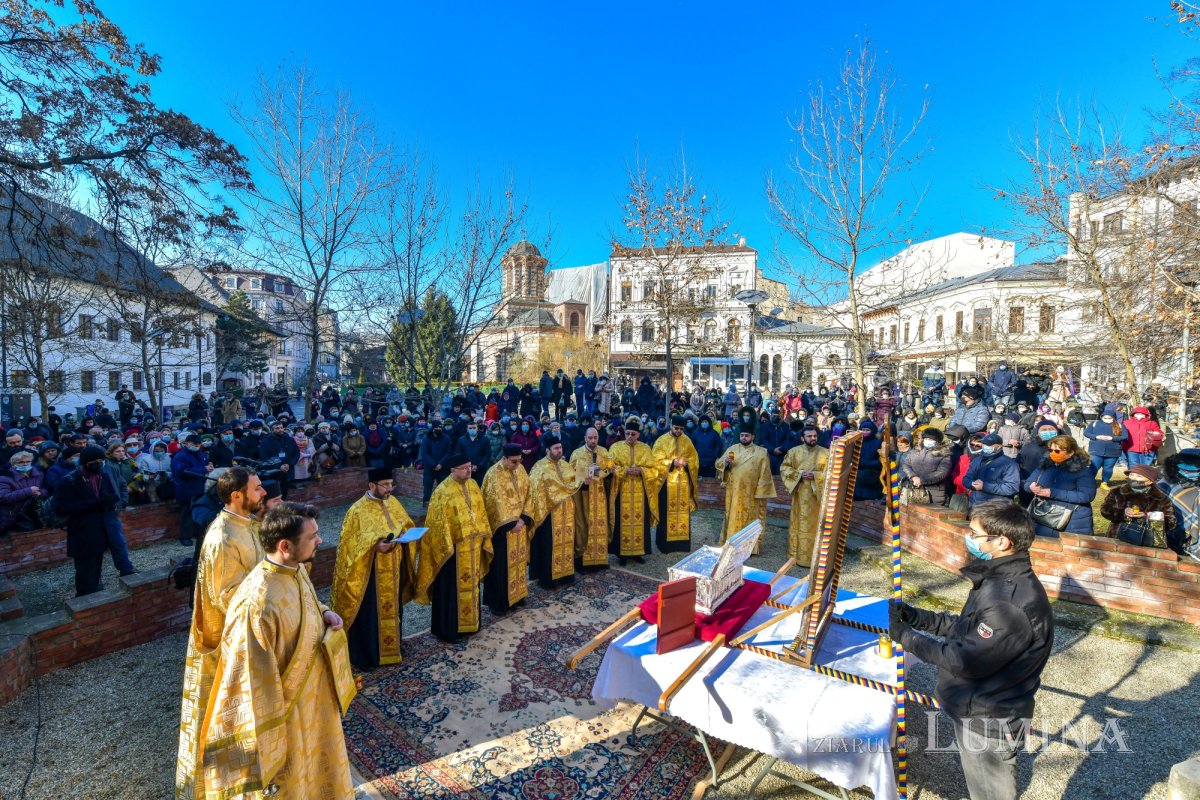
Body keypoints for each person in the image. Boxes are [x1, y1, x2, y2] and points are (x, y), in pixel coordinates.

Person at [888, 501, 1053, 800]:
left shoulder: (1008, 602)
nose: (968, 538)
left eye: (975, 534)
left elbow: (961, 659)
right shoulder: (999, 580)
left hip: (988, 718)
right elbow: (968, 629)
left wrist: (907, 638)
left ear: (1002, 542)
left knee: (989, 793)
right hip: (980, 707)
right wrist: (919, 619)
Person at [196, 502, 354, 799]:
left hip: (315, 700)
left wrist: (324, 612)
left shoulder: (294, 569)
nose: (320, 540)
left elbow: (306, 602)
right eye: (312, 536)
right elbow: (246, 685)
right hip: (287, 717)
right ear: (285, 545)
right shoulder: (256, 605)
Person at [174, 467, 267, 800]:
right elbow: (227, 596)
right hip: (233, 638)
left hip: (255, 628)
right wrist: (270, 608)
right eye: (257, 489)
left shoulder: (248, 523)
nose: (263, 493)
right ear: (237, 495)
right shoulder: (223, 536)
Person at [331, 467, 416, 670]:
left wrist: (405, 535)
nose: (389, 489)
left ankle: (393, 647)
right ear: (371, 485)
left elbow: (405, 523)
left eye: (391, 484)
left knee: (394, 609)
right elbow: (349, 548)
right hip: (370, 574)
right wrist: (374, 547)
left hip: (393, 568)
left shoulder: (393, 502)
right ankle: (369, 655)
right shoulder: (357, 511)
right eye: (385, 485)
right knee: (370, 614)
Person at [415, 452, 493, 643]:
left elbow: (480, 512)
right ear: (453, 470)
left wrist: (483, 536)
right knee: (451, 590)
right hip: (452, 552)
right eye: (464, 468)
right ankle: (449, 631)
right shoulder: (442, 491)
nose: (469, 470)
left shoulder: (473, 485)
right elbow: (436, 525)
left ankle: (471, 624)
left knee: (472, 587)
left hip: (473, 547)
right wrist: (448, 546)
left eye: (470, 467)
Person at [481, 443, 534, 615]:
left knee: (519, 562)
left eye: (520, 460)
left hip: (520, 525)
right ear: (504, 458)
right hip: (502, 530)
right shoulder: (493, 474)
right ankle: (499, 602)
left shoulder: (521, 469)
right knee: (500, 567)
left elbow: (530, 493)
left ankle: (517, 596)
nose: (517, 465)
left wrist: (524, 518)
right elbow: (495, 504)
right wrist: (512, 524)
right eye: (514, 461)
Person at [528, 434, 582, 589]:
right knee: (549, 546)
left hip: (567, 511)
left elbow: (574, 483)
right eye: (556, 448)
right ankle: (548, 578)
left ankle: (565, 574)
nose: (559, 450)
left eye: (560, 448)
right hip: (549, 513)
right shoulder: (539, 468)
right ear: (547, 450)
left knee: (567, 542)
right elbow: (535, 492)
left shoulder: (565, 465)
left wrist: (584, 480)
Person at [715, 424, 776, 553]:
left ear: (753, 437)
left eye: (747, 436)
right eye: (742, 435)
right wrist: (726, 463)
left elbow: (765, 473)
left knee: (751, 518)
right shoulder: (732, 449)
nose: (744, 437)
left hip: (752, 493)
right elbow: (719, 464)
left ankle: (748, 548)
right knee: (732, 517)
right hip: (734, 492)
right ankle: (730, 545)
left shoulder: (761, 452)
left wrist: (761, 492)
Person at [607, 419, 659, 565]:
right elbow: (609, 466)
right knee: (621, 521)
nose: (630, 436)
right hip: (621, 490)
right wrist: (625, 470)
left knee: (640, 521)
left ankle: (638, 552)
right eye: (627, 433)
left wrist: (641, 470)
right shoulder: (615, 447)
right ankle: (622, 554)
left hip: (639, 492)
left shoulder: (645, 449)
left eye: (633, 434)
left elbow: (654, 469)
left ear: (638, 435)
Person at [1024, 435, 1097, 537]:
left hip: (1072, 520)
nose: (1053, 453)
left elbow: (1087, 495)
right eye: (1050, 450)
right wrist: (1031, 487)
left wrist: (1053, 493)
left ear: (1070, 453)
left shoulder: (1082, 471)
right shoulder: (1044, 466)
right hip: (1043, 516)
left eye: (1057, 451)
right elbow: (1028, 484)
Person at [779, 426, 828, 565]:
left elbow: (832, 474)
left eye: (814, 436)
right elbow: (784, 468)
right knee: (798, 523)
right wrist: (799, 474)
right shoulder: (793, 452)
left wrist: (816, 475)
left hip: (817, 497)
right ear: (802, 438)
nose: (813, 438)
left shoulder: (826, 453)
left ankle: (814, 557)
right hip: (800, 494)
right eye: (809, 436)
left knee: (816, 525)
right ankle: (795, 555)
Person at [652, 416, 700, 554]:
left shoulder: (687, 440)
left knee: (683, 511)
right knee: (665, 512)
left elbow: (694, 459)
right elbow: (655, 460)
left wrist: (687, 463)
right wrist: (672, 462)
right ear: (671, 426)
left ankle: (681, 544)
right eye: (676, 428)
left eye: (681, 429)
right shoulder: (661, 441)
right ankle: (665, 545)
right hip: (667, 483)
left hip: (683, 483)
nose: (678, 431)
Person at [568, 428, 613, 570]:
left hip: (600, 496)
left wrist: (608, 472)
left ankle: (600, 559)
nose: (593, 440)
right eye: (590, 438)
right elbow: (571, 476)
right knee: (583, 525)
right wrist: (585, 477)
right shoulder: (577, 454)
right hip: (583, 497)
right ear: (585, 438)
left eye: (595, 437)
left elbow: (610, 471)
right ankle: (582, 560)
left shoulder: (604, 452)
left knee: (600, 525)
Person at [1099, 464, 1176, 545]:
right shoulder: (1117, 492)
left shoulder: (1161, 498)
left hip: (1147, 542)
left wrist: (1147, 516)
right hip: (1116, 537)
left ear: (1150, 481)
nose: (1133, 478)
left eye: (1139, 476)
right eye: (1131, 474)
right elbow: (1105, 510)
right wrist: (1123, 512)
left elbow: (1170, 523)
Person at [172, 434, 213, 547]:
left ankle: (197, 533)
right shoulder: (180, 456)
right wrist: (203, 469)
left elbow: (205, 464)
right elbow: (183, 472)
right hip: (185, 489)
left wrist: (208, 467)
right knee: (186, 514)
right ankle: (185, 537)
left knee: (198, 512)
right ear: (188, 443)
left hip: (199, 487)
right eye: (195, 444)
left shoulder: (200, 454)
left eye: (199, 444)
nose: (197, 446)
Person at [963, 433, 1021, 508]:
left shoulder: (1010, 464)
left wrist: (985, 486)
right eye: (984, 444)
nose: (985, 446)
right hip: (975, 505)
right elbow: (966, 478)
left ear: (999, 447)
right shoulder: (977, 460)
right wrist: (972, 484)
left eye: (988, 445)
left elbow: (1012, 488)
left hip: (997, 508)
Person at [900, 428, 953, 507]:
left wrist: (922, 480)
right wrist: (913, 476)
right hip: (913, 490)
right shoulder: (916, 450)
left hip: (934, 493)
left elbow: (942, 473)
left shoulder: (944, 454)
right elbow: (906, 464)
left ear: (937, 441)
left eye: (930, 439)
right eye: (926, 438)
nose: (927, 441)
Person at [0, 450, 43, 534]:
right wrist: (28, 491)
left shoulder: (38, 474)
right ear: (13, 464)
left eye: (28, 461)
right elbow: (3, 497)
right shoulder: (4, 478)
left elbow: (46, 490)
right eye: (21, 462)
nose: (25, 464)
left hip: (34, 513)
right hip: (13, 515)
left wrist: (40, 492)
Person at [1084, 411, 1128, 489]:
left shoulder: (1120, 425)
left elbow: (1125, 436)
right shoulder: (1095, 423)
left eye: (1110, 418)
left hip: (1113, 451)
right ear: (1101, 417)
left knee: (1108, 468)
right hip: (1096, 450)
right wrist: (1096, 437)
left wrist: (1112, 438)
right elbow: (1086, 433)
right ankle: (1089, 482)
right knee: (1094, 467)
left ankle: (1104, 482)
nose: (1107, 420)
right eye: (1105, 418)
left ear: (1114, 418)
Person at [418, 420, 453, 503]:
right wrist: (434, 465)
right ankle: (426, 506)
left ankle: (443, 506)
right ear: (433, 428)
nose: (438, 429)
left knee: (443, 490)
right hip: (429, 469)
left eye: (440, 427)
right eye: (436, 427)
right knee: (427, 491)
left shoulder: (446, 438)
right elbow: (425, 453)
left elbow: (448, 453)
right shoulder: (426, 439)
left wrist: (440, 464)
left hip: (443, 469)